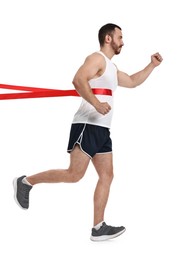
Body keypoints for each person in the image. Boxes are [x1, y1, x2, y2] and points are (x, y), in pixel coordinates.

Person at [13, 23, 163, 241]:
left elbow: (131, 81)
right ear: (108, 39)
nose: (123, 41)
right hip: (87, 124)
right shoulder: (96, 58)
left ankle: (98, 227)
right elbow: (78, 80)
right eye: (120, 37)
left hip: (102, 129)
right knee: (74, 175)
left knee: (107, 175)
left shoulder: (111, 68)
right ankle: (25, 182)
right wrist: (95, 104)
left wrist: (151, 66)